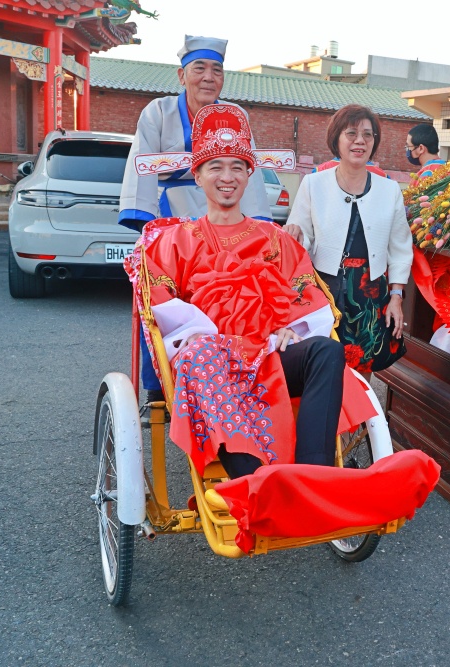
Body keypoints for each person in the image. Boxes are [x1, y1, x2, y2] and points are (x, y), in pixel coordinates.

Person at [125, 103, 375, 479]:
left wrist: (293, 327)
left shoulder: (274, 239)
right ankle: (253, 482)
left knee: (326, 349)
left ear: (248, 175)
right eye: (216, 167)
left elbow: (305, 292)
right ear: (198, 175)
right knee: (204, 354)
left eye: (237, 167)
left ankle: (315, 475)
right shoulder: (174, 240)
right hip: (214, 364)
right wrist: (214, 341)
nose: (227, 177)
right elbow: (161, 305)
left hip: (271, 351)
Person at [117, 35, 273, 411]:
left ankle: (239, 373)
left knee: (236, 290)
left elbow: (245, 170)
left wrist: (258, 227)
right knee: (158, 294)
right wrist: (148, 229)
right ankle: (159, 389)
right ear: (181, 75)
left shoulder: (236, 115)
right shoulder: (158, 112)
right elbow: (142, 165)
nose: (208, 77)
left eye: (216, 70)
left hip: (222, 217)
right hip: (173, 215)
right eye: (199, 68)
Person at [285, 104, 412, 374]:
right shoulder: (313, 184)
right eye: (351, 133)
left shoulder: (389, 190)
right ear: (337, 139)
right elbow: (302, 235)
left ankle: (363, 418)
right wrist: (296, 238)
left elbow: (400, 248)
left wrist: (397, 297)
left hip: (370, 293)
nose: (360, 141)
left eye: (368, 135)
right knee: (323, 367)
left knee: (363, 368)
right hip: (324, 288)